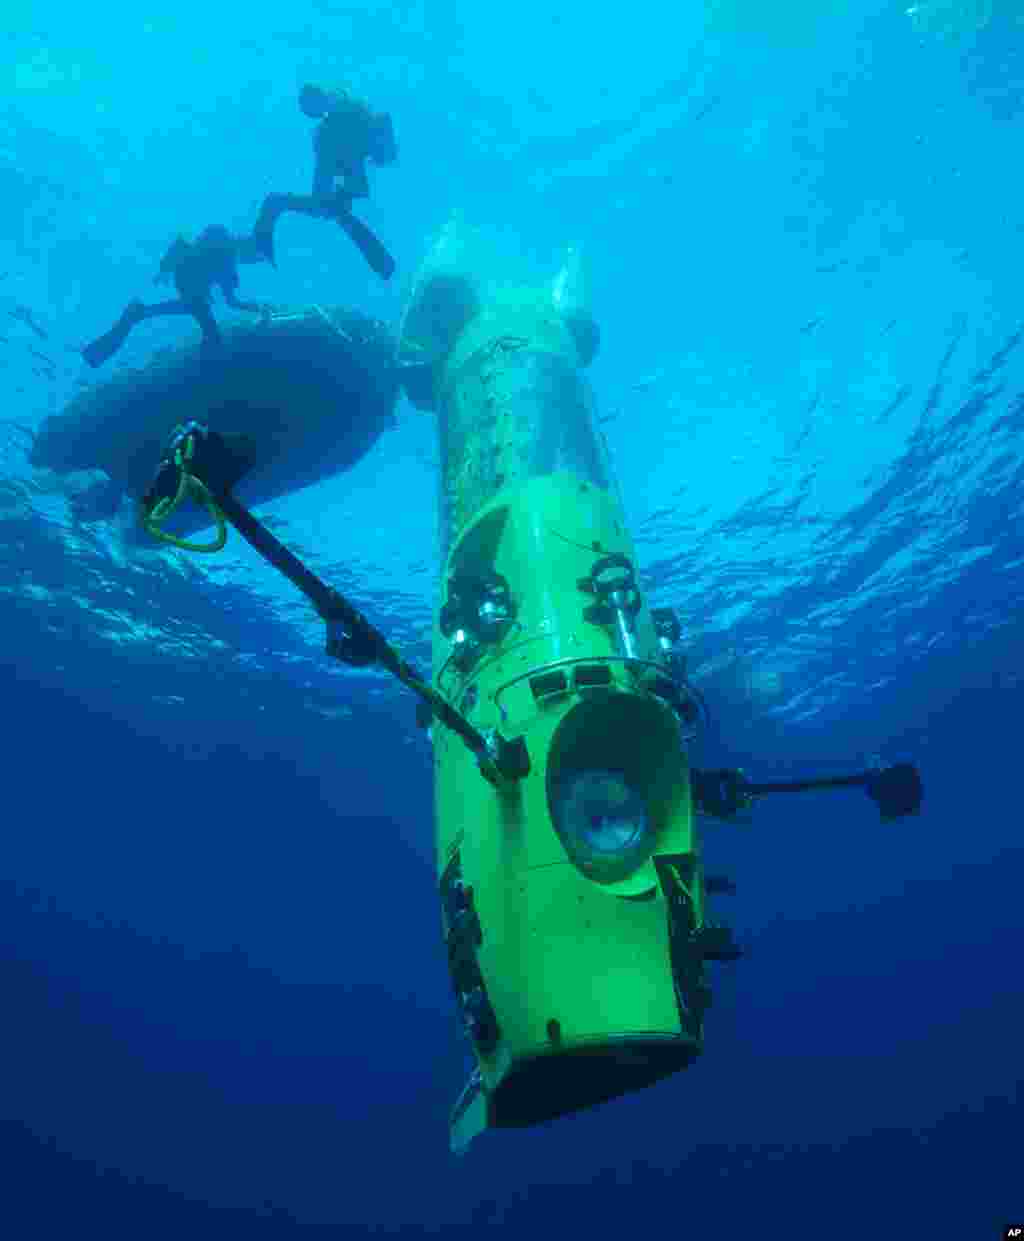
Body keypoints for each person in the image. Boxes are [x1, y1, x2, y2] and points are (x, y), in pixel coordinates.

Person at [252, 84, 398, 281]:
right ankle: (275, 210)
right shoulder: (340, 121)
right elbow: (346, 174)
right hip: (346, 162)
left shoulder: (338, 124)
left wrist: (336, 198)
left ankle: (272, 218)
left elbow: (343, 176)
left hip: (347, 163)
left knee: (328, 205)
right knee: (328, 205)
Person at [81, 225, 269, 368]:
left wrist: (254, 307)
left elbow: (230, 300)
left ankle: (140, 312)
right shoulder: (227, 257)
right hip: (191, 288)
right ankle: (209, 368)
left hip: (190, 287)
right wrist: (254, 307)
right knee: (209, 327)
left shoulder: (226, 257)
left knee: (205, 322)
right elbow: (231, 301)